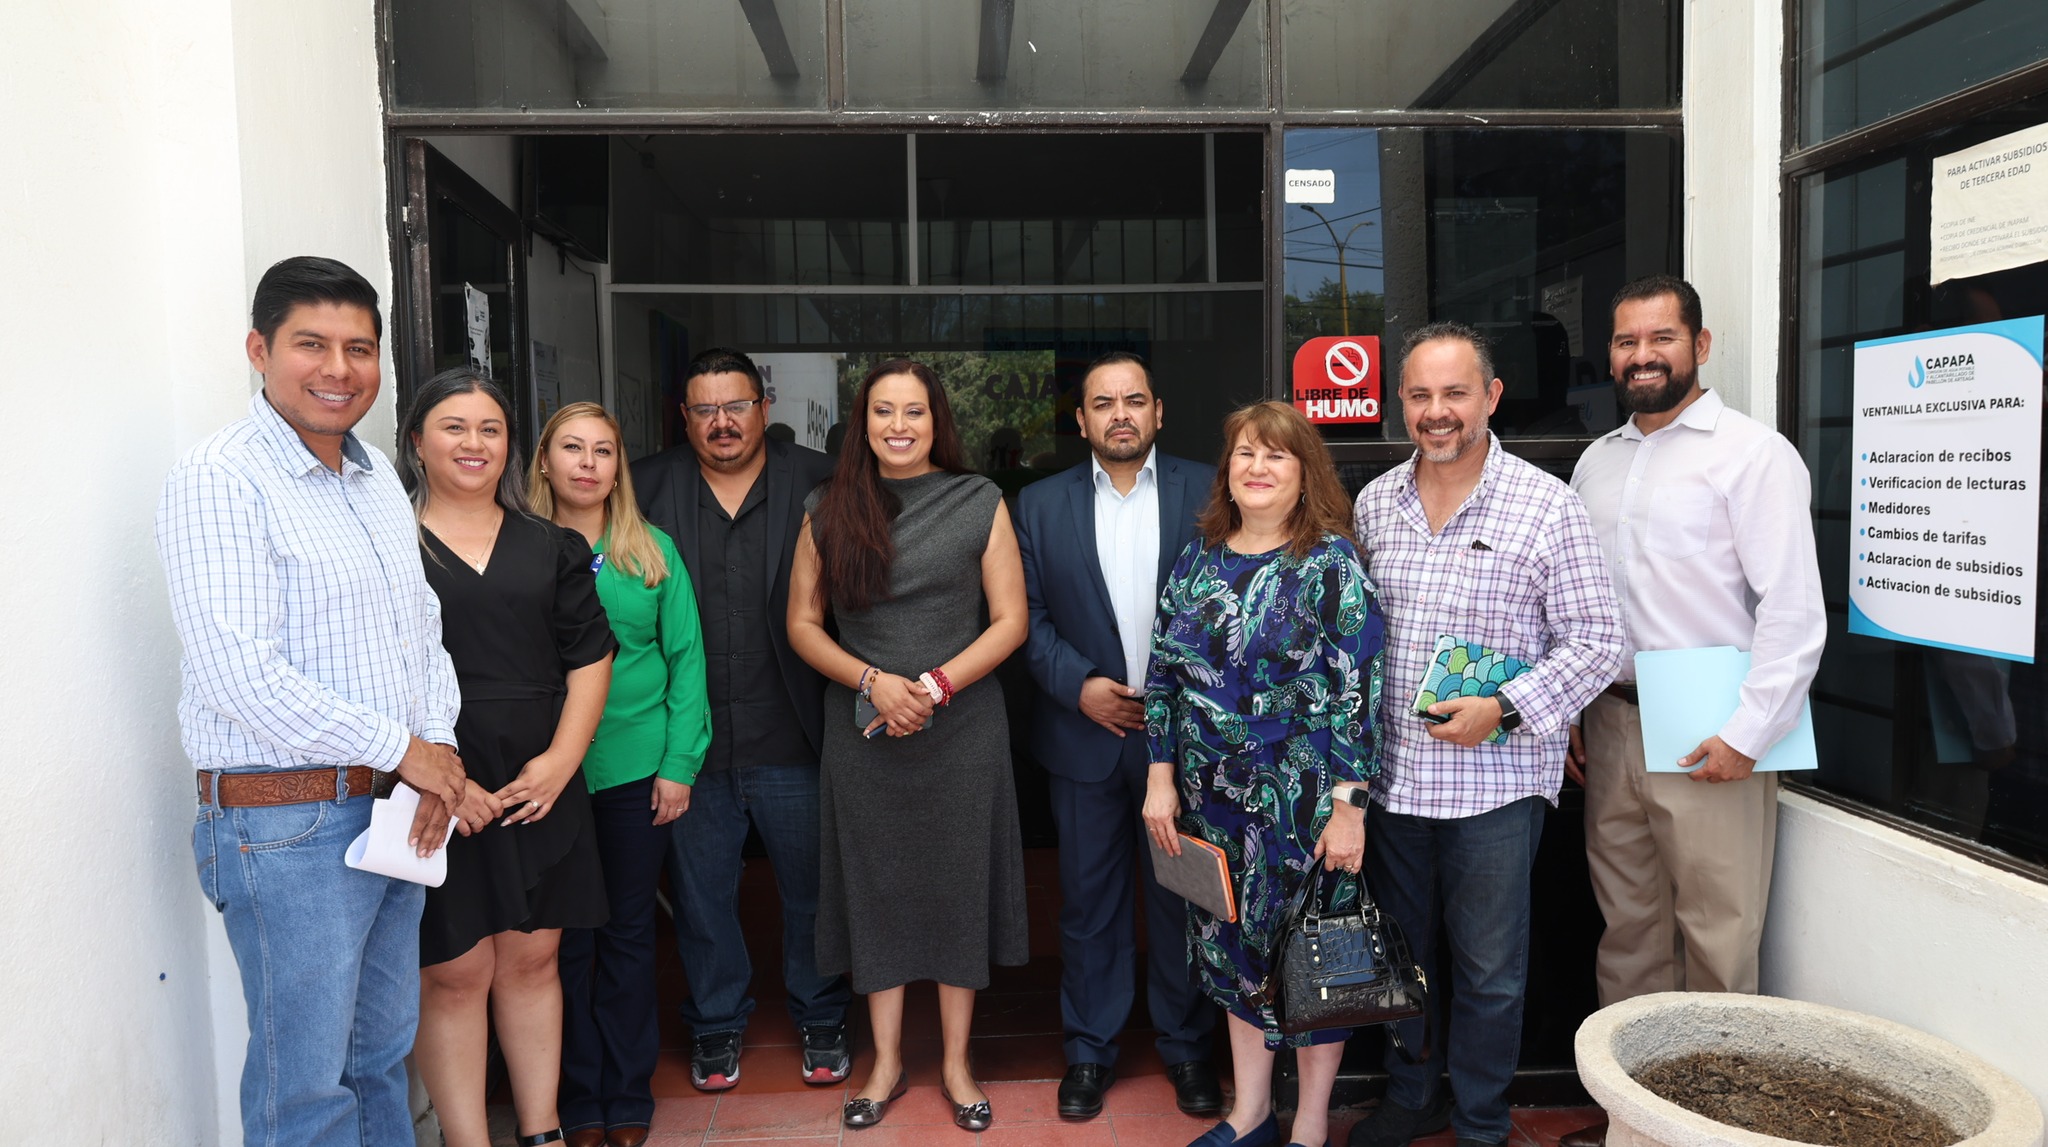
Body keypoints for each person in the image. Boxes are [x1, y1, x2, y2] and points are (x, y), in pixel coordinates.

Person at [157, 256, 467, 1147]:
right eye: (312, 345)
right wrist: (403, 748)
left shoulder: (370, 477)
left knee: (378, 1063)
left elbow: (421, 632)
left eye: (359, 348)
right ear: (260, 349)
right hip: (285, 827)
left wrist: (434, 757)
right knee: (307, 1091)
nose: (340, 368)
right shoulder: (222, 479)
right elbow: (238, 674)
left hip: (389, 815)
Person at [1557, 277, 1825, 1147]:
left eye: (1662, 338)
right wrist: (1570, 712)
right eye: (1628, 340)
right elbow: (1577, 605)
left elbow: (1792, 609)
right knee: (1628, 934)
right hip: (1612, 719)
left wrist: (1749, 734)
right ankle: (1634, 1125)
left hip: (1715, 725)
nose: (1643, 355)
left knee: (1719, 939)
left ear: (1699, 346)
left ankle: (1712, 1131)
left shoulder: (1753, 455)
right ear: (1609, 353)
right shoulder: (1596, 461)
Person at [1349, 324, 1622, 1147]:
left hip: (1494, 789)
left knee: (1490, 973)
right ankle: (1411, 1093)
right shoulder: (1374, 503)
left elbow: (1599, 639)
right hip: (1392, 781)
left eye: (1455, 393)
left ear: (1491, 397)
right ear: (1403, 403)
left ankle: (1479, 1118)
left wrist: (1503, 707)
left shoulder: (1547, 505)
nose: (1437, 412)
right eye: (1421, 395)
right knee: (1401, 958)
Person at [787, 358, 1031, 1132]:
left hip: (960, 729)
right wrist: (874, 683)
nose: (899, 426)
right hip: (864, 732)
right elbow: (801, 624)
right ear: (862, 422)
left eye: (914, 412)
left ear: (937, 421)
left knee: (959, 890)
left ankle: (957, 1064)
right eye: (883, 411)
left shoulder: (979, 500)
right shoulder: (826, 506)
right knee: (878, 892)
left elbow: (1010, 621)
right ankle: (886, 1060)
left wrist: (930, 688)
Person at [1142, 400, 1386, 1147]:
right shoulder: (1199, 557)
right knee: (1231, 950)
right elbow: (1162, 677)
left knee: (1316, 957)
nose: (1257, 467)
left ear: (1305, 472)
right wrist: (1161, 775)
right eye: (1245, 453)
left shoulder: (1330, 564)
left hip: (1304, 803)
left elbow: (1357, 695)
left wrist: (1350, 810)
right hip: (1212, 803)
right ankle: (1249, 1113)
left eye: (1276, 455)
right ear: (1228, 472)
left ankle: (1309, 1125)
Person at [401, 370, 618, 1147]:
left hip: (539, 779)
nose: (473, 443)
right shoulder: (388, 544)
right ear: (418, 442)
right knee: (452, 970)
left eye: (490, 428)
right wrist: (440, 775)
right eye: (454, 427)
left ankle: (542, 1132)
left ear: (509, 446)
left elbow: (591, 656)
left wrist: (564, 758)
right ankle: (467, 1138)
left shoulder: (552, 545)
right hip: (430, 780)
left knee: (534, 959)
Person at [1014, 351, 1223, 1121]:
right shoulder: (1037, 504)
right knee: (1089, 902)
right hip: (1083, 735)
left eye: (1134, 399)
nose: (1121, 414)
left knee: (1183, 899)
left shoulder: (1210, 488)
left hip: (1190, 742)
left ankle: (1187, 1048)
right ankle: (1088, 1051)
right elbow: (1024, 619)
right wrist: (1080, 686)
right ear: (1081, 420)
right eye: (1104, 403)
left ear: (1159, 411)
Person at [632, 348, 849, 1089]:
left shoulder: (822, 480)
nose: (722, 422)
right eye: (705, 409)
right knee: (700, 897)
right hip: (687, 744)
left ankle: (822, 1014)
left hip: (795, 733)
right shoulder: (645, 487)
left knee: (813, 891)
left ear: (764, 407)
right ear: (684, 417)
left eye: (736, 405)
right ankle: (718, 1022)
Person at [532, 402, 710, 1147]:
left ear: (618, 467)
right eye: (571, 448)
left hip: (637, 768)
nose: (586, 463)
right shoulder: (519, 549)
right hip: (546, 777)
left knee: (630, 933)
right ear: (543, 461)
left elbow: (686, 663)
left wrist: (679, 764)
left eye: (603, 450)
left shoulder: (652, 551)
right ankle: (577, 1098)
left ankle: (627, 1091)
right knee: (563, 941)